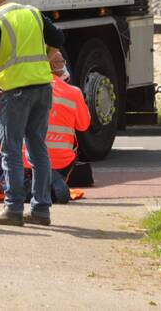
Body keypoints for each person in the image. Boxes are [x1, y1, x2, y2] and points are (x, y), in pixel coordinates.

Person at [0, 0, 65, 227]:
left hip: (14, 91)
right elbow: (58, 38)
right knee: (38, 149)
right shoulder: (32, 12)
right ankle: (41, 209)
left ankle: (13, 208)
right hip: (42, 87)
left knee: (11, 150)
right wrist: (46, 58)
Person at [34, 49, 91, 205]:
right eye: (62, 62)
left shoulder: (28, 91)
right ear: (53, 66)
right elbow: (84, 125)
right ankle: (53, 179)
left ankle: (41, 183)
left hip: (28, 160)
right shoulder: (73, 92)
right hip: (62, 161)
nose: (64, 65)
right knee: (74, 147)